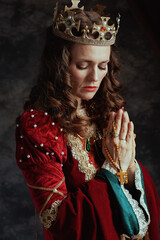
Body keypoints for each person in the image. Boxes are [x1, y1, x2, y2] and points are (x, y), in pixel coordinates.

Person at [15, 1, 159, 239]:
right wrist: (113, 170)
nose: (95, 77)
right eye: (83, 66)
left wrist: (131, 168)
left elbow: (134, 194)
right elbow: (59, 220)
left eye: (102, 66)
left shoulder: (105, 109)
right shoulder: (38, 126)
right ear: (59, 66)